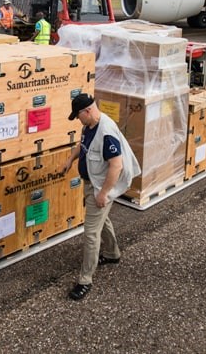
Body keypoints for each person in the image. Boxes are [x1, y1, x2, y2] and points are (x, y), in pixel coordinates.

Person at [62, 93, 141, 301]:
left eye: (78, 115)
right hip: (92, 183)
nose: (78, 120)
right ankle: (113, 254)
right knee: (101, 220)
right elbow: (83, 145)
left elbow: (116, 165)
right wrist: (70, 160)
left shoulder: (106, 132)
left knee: (90, 233)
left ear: (87, 111)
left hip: (101, 186)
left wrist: (104, 193)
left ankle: (85, 280)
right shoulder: (89, 125)